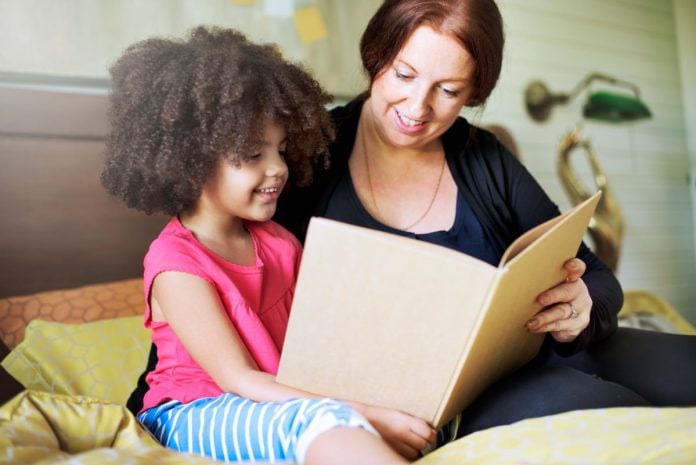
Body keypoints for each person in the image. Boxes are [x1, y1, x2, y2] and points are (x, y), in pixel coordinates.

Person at [128, 0, 696, 459]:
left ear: (474, 92)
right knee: (622, 417)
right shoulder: (300, 160)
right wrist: (151, 412)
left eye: (449, 90)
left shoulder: (483, 157)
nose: (418, 107)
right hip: (455, 401)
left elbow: (597, 277)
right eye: (404, 74)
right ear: (376, 57)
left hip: (539, 349)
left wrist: (583, 304)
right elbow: (207, 305)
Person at [102, 26, 434, 465]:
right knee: (322, 420)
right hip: (188, 415)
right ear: (193, 159)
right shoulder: (175, 263)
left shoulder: (279, 243)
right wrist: (360, 413)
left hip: (271, 406)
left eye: (280, 150)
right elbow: (237, 378)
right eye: (255, 155)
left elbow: (316, 349)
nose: (278, 168)